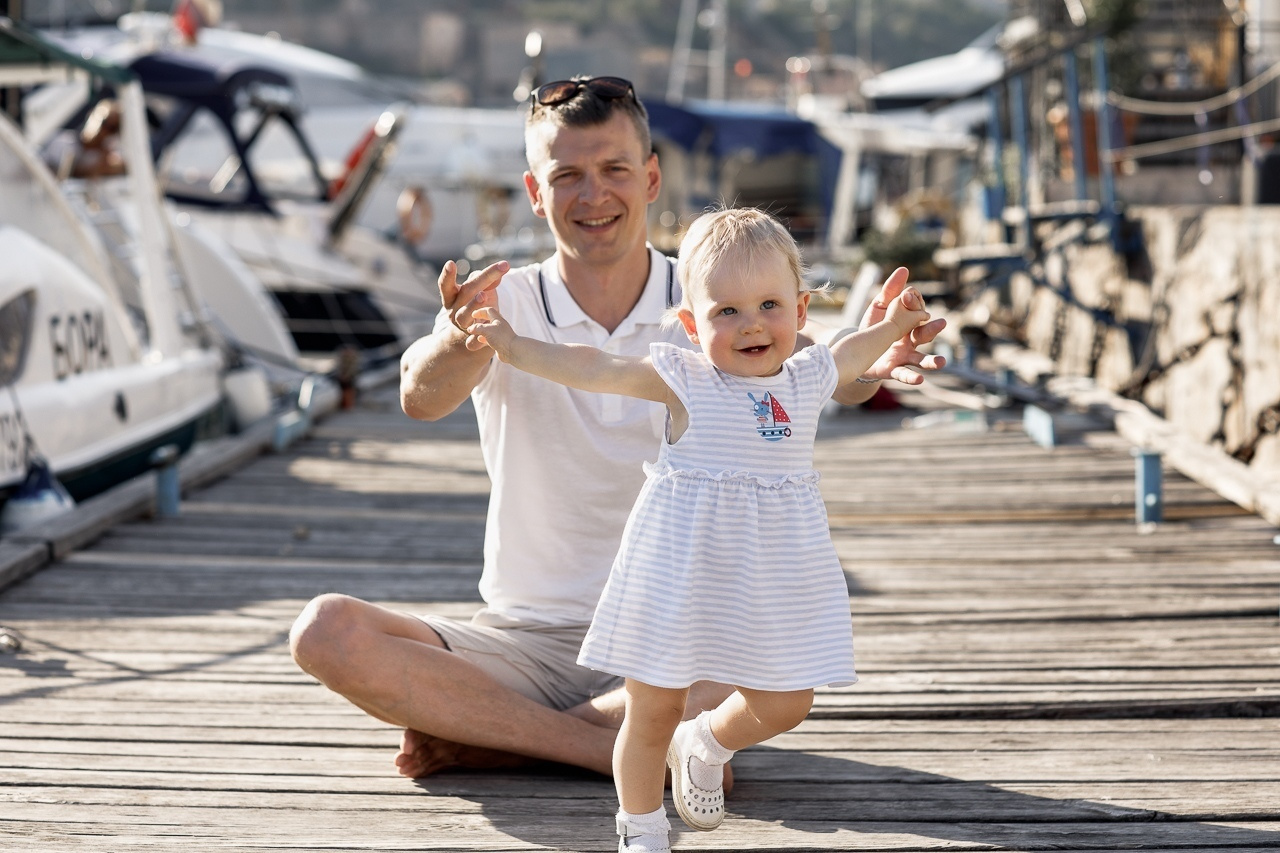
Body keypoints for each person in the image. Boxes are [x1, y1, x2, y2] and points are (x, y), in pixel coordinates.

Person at [288, 75, 947, 783]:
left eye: (614, 170)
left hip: (677, 640)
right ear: (536, 193)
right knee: (327, 632)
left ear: (652, 177)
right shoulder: (501, 301)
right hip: (523, 646)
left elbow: (814, 369)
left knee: (771, 663)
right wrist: (459, 340)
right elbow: (420, 394)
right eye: (566, 175)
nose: (593, 194)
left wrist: (876, 362)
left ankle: (491, 733)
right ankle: (597, 747)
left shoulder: (710, 296)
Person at [465, 207, 929, 851]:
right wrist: (513, 347)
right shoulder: (686, 381)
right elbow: (593, 367)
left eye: (769, 305)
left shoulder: (805, 377)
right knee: (652, 709)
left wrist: (896, 325)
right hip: (677, 577)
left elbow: (851, 351)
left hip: (770, 574)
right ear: (691, 324)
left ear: (799, 310)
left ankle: (706, 739)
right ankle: (642, 829)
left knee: (790, 700)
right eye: (726, 312)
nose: (752, 325)